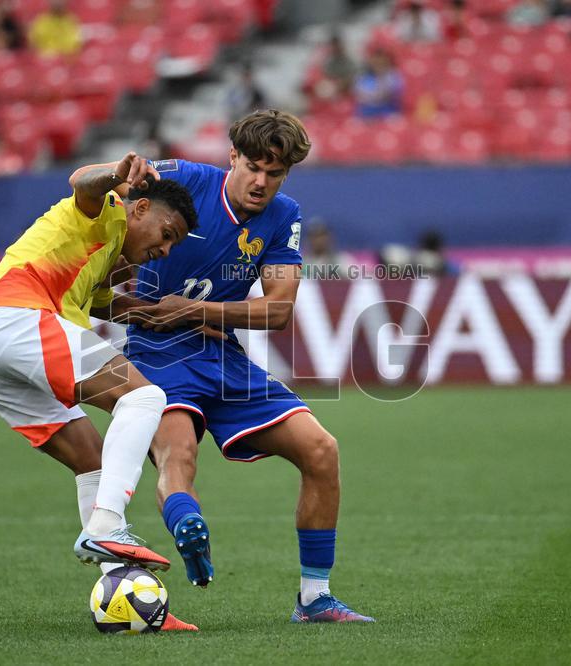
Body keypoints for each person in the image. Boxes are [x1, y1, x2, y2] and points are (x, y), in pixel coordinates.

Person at [103, 110, 374, 624]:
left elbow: (278, 309)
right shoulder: (182, 179)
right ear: (232, 157)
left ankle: (315, 599)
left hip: (222, 353)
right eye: (253, 167)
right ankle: (189, 528)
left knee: (322, 450)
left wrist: (193, 311)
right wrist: (131, 303)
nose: (261, 182)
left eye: (275, 173)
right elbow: (103, 203)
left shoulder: (284, 216)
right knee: (177, 455)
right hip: (156, 352)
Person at [0, 152, 201, 631]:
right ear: (140, 208)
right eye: (166, 233)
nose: (165, 249)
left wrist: (187, 318)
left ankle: (128, 601)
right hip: (16, 317)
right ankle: (107, 524)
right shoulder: (106, 209)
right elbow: (82, 181)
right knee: (145, 397)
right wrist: (117, 174)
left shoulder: (106, 256)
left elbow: (114, 307)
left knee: (92, 460)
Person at [354, 49, 404, 119]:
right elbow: (360, 95)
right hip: (368, 109)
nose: (378, 64)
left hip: (388, 108)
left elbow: (392, 93)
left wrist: (381, 77)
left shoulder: (393, 75)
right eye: (375, 62)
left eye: (381, 62)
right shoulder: (363, 76)